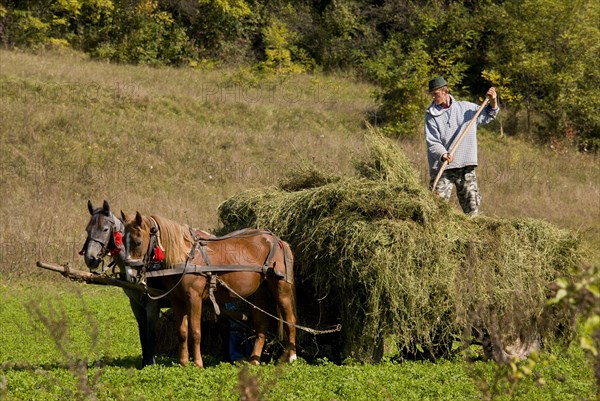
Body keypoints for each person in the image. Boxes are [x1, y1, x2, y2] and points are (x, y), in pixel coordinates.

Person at [424, 76, 499, 216]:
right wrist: (443, 154)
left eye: (436, 94)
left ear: (445, 92)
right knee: (435, 207)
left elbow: (488, 114)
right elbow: (432, 142)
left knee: (472, 207)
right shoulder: (431, 115)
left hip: (465, 165)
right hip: (443, 167)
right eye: (432, 94)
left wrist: (493, 101)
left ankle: (473, 234)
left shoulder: (466, 108)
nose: (433, 97)